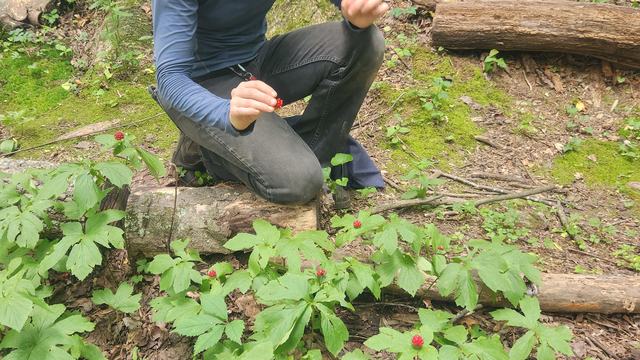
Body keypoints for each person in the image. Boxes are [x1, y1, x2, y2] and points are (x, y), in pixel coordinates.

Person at [152, 0, 388, 205]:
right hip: (202, 88)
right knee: (299, 181)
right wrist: (226, 114)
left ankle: (313, 160)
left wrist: (355, 8)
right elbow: (170, 78)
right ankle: (204, 152)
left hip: (256, 61)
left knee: (366, 41)